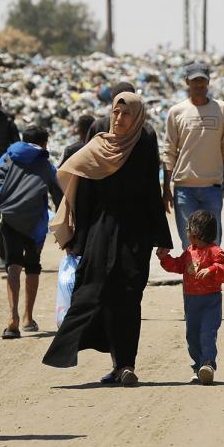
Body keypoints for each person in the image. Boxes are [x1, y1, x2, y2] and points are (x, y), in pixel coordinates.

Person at [43, 92, 172, 385]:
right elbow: (79, 189)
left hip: (135, 234)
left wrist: (161, 236)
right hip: (101, 231)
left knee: (128, 296)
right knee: (92, 290)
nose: (120, 119)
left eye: (127, 114)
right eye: (116, 112)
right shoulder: (99, 146)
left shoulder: (143, 145)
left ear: (137, 117)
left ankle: (125, 364)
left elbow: (152, 192)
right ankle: (72, 351)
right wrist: (77, 239)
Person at [0, 125, 63, 339]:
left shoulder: (8, 156)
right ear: (43, 143)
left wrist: (1, 205)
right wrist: (65, 219)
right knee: (32, 265)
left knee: (13, 265)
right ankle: (27, 318)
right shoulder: (44, 162)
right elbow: (57, 191)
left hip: (9, 218)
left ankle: (12, 319)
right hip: (34, 221)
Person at [162, 62, 224, 248]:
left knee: (212, 243)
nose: (198, 85)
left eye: (202, 81)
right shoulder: (176, 112)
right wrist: (166, 189)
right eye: (195, 81)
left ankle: (211, 277)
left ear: (208, 82)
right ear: (187, 81)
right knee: (189, 244)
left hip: (212, 188)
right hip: (184, 189)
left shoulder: (222, 109)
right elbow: (169, 151)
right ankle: (192, 278)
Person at [157, 210, 224, 385]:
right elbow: (177, 265)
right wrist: (165, 258)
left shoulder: (214, 251)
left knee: (207, 333)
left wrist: (212, 269)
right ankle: (198, 366)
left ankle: (208, 364)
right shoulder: (189, 251)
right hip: (191, 301)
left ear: (196, 232)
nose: (186, 231)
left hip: (211, 301)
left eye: (188, 228)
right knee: (192, 336)